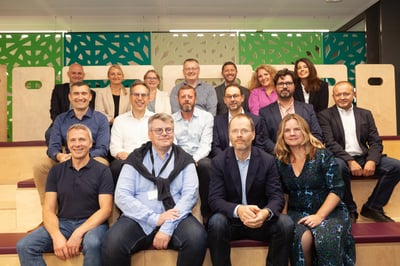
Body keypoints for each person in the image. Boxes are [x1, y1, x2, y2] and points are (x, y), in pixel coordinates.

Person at [102, 113, 207, 266]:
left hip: (176, 217)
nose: (164, 133)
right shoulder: (135, 159)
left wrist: (167, 226)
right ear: (149, 134)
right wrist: (154, 219)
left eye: (168, 130)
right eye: (158, 130)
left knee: (197, 238)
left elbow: (190, 196)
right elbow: (122, 195)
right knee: (112, 242)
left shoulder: (185, 160)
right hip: (138, 218)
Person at [17, 124, 114, 266]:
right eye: (73, 140)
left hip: (93, 224)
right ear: (67, 145)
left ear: (90, 143)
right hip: (64, 223)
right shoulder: (56, 171)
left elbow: (106, 209)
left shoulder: (102, 171)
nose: (77, 144)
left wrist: (79, 232)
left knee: (93, 243)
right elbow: (49, 209)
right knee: (24, 246)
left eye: (82, 140)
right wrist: (56, 236)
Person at [208, 113, 294, 266]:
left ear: (253, 134)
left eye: (244, 131)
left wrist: (265, 213)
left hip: (259, 220)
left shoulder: (267, 160)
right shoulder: (218, 162)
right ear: (229, 135)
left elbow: (277, 197)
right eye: (234, 131)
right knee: (216, 222)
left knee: (285, 224)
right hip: (232, 221)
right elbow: (215, 200)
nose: (239, 135)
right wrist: (238, 210)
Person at [275, 113, 355, 266]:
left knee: (326, 238)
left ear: (305, 131)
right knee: (300, 238)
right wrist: (284, 216)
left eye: (297, 129)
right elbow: (283, 192)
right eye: (287, 130)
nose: (292, 134)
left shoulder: (322, 155)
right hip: (296, 212)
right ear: (281, 135)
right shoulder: (280, 160)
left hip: (329, 211)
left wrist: (319, 216)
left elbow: (336, 190)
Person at [318, 81, 400, 222]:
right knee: (337, 166)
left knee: (396, 166)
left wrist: (372, 160)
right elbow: (330, 143)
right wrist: (350, 160)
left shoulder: (365, 114)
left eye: (346, 94)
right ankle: (350, 209)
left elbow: (375, 141)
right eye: (338, 94)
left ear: (354, 94)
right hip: (341, 158)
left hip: (363, 157)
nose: (342, 97)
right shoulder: (325, 115)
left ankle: (373, 207)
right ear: (333, 96)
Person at [34, 82, 110, 205]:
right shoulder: (60, 119)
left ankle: (100, 210)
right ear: (70, 97)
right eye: (76, 93)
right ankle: (48, 210)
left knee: (103, 164)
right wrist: (59, 156)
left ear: (90, 97)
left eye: (84, 93)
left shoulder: (101, 119)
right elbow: (53, 146)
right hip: (66, 157)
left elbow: (102, 148)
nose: (80, 97)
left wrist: (82, 157)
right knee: (40, 166)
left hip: (93, 157)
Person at [172, 84, 214, 222]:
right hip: (178, 157)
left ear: (195, 99)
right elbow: (173, 144)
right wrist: (184, 160)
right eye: (183, 97)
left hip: (200, 158)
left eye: (190, 96)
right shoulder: (170, 119)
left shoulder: (206, 117)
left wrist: (192, 159)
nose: (186, 99)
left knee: (206, 166)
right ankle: (175, 213)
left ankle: (207, 213)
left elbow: (206, 145)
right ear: (178, 100)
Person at [259, 68, 323, 154]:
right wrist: (282, 154)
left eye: (288, 83)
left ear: (294, 86)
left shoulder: (308, 109)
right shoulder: (264, 112)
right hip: (278, 159)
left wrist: (304, 153)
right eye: (281, 84)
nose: (285, 86)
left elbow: (317, 134)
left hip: (305, 157)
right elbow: (265, 139)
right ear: (275, 87)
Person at [110, 81, 155, 183]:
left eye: (143, 95)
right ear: (130, 97)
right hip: (126, 160)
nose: (140, 98)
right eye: (136, 94)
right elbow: (114, 148)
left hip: (151, 159)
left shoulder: (156, 120)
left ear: (149, 98)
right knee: (116, 166)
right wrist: (128, 156)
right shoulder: (119, 120)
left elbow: (167, 144)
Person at [45, 63, 96, 144]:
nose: (76, 75)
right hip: (62, 123)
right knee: (50, 134)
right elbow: (54, 111)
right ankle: (59, 155)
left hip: (84, 124)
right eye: (74, 73)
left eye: (79, 73)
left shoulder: (91, 93)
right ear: (68, 74)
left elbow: (90, 113)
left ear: (83, 75)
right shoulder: (59, 90)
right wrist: (63, 125)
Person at [211, 83, 264, 157]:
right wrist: (226, 161)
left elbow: (259, 147)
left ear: (242, 98)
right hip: (224, 163)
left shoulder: (256, 121)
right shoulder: (217, 121)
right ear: (225, 100)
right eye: (229, 97)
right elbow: (215, 147)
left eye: (235, 96)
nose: (232, 99)